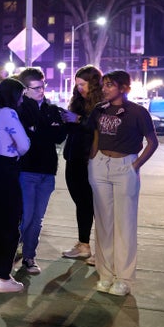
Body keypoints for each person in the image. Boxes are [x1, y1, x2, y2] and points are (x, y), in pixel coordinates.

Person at [87, 70, 158, 296]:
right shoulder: (99, 109)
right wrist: (93, 158)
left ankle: (124, 278)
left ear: (124, 88)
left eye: (110, 85)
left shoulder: (137, 112)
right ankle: (105, 274)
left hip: (125, 166)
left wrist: (135, 166)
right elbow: (95, 134)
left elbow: (152, 142)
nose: (105, 88)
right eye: (104, 84)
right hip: (100, 165)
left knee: (125, 223)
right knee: (103, 223)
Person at [15, 67, 67, 275]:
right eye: (36, 87)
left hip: (47, 170)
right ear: (25, 90)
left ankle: (29, 256)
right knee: (26, 217)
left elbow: (59, 136)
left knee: (37, 218)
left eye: (42, 86)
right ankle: (7, 251)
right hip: (26, 170)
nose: (41, 90)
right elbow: (28, 138)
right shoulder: (20, 110)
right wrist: (46, 129)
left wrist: (41, 129)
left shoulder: (51, 109)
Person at [0, 77, 30, 293]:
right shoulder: (8, 113)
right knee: (11, 222)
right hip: (7, 169)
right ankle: (4, 275)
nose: (22, 101)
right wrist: (18, 153)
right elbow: (24, 144)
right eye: (20, 96)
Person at [60, 65, 104, 265]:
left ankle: (102, 250)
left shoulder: (103, 104)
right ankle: (83, 244)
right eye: (77, 84)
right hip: (74, 157)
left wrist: (78, 119)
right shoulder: (77, 102)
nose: (78, 88)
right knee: (82, 202)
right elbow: (72, 129)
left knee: (97, 205)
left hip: (92, 160)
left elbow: (99, 128)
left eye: (82, 84)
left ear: (93, 84)